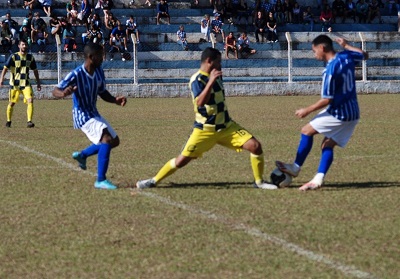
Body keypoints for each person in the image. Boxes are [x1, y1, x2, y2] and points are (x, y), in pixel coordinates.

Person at [136, 47, 277, 190]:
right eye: (218, 62)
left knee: (255, 146)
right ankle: (153, 181)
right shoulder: (197, 79)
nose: (220, 65)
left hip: (226, 126)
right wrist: (210, 82)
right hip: (205, 129)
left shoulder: (217, 75)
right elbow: (200, 102)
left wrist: (214, 79)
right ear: (209, 61)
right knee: (182, 161)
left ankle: (259, 182)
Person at [276, 35, 368, 191]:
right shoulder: (345, 56)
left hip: (339, 112)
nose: (314, 55)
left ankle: (296, 167)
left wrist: (307, 110)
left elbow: (327, 99)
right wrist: (346, 45)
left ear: (322, 48)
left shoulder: (330, 70)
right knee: (327, 144)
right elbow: (364, 54)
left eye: (314, 51)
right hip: (353, 112)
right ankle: (318, 179)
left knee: (306, 130)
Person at [52, 42, 127, 190]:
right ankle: (100, 180)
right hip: (82, 115)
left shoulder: (99, 72)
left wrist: (114, 100)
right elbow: (56, 90)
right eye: (101, 55)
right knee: (106, 139)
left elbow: (102, 92)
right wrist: (64, 93)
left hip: (93, 112)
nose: (103, 58)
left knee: (115, 141)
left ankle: (83, 155)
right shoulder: (76, 74)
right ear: (91, 57)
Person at [0, 39, 41, 128]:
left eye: (25, 44)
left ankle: (29, 121)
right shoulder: (13, 57)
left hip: (26, 84)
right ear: (19, 46)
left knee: (30, 100)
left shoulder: (30, 57)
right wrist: (1, 79)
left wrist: (38, 83)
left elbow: (35, 70)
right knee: (11, 103)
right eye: (22, 44)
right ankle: (8, 121)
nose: (24, 46)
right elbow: (5, 68)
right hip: (15, 85)